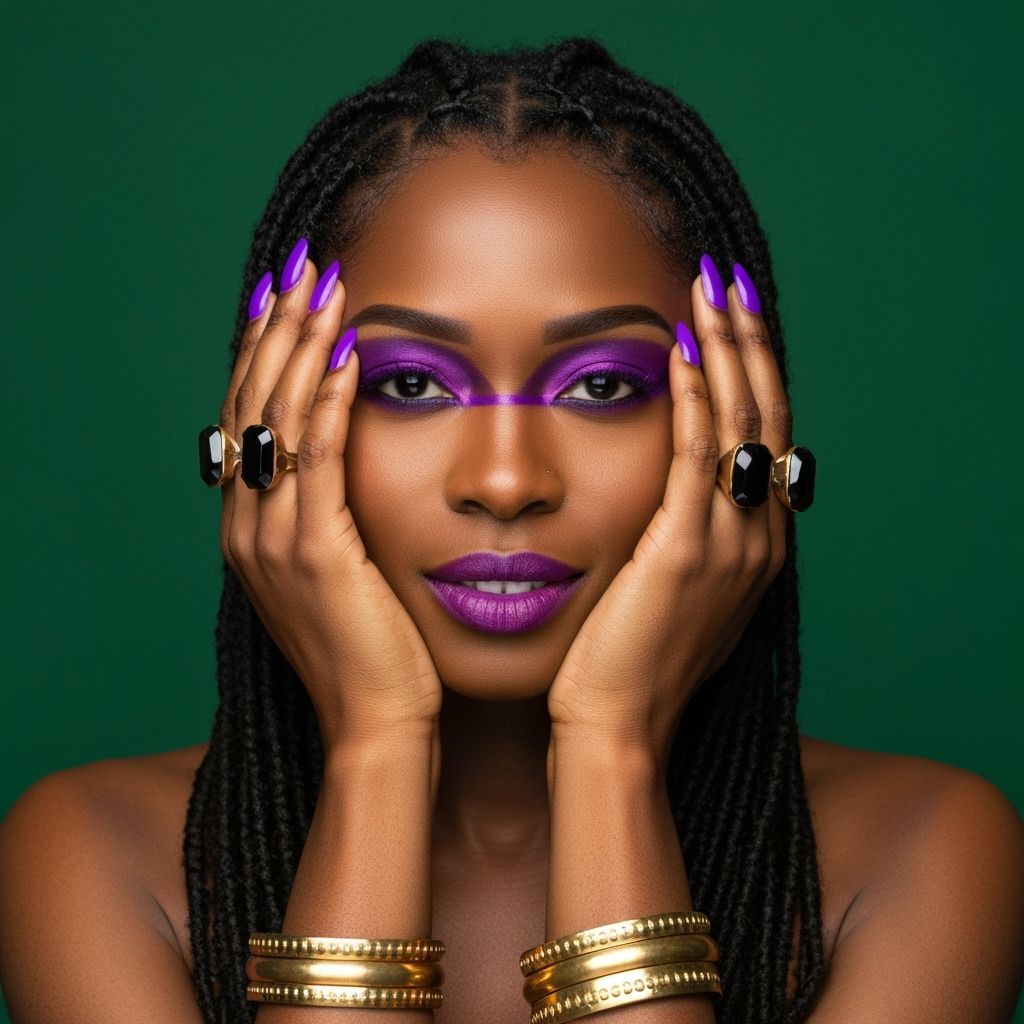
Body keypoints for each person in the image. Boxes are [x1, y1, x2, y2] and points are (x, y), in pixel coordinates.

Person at [1, 35, 1021, 1024]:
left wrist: (611, 753)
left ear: (739, 430)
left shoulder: (921, 851)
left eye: (602, 386)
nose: (504, 481)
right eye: (410, 384)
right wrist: (375, 749)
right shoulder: (97, 856)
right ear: (267, 425)